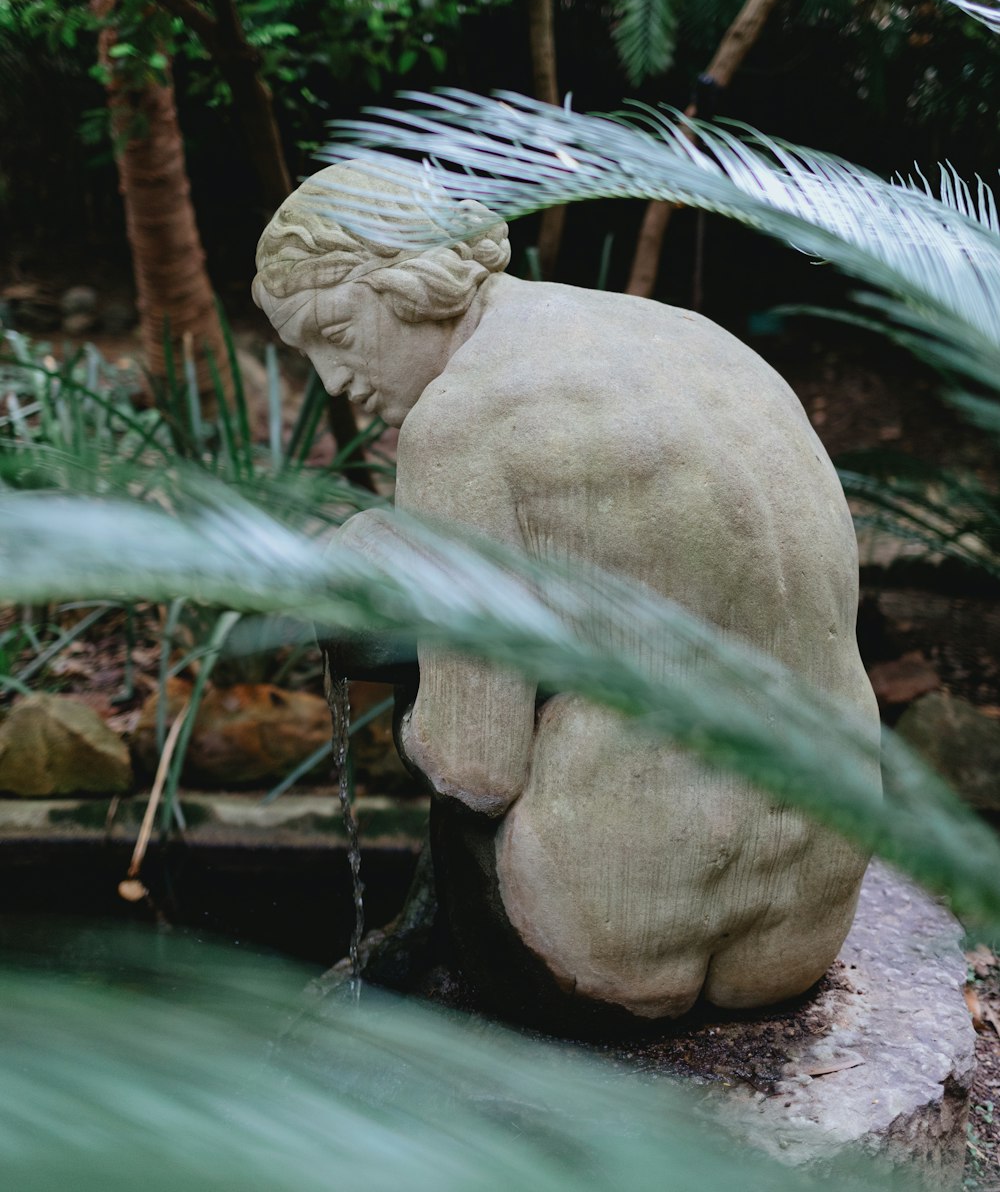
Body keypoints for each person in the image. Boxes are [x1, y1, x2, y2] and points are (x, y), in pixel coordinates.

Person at [254, 162, 881, 1026]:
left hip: (612, 944)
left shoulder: (463, 421)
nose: (333, 382)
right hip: (812, 905)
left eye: (336, 330)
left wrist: (410, 665)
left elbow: (476, 767)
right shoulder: (688, 339)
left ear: (406, 280)